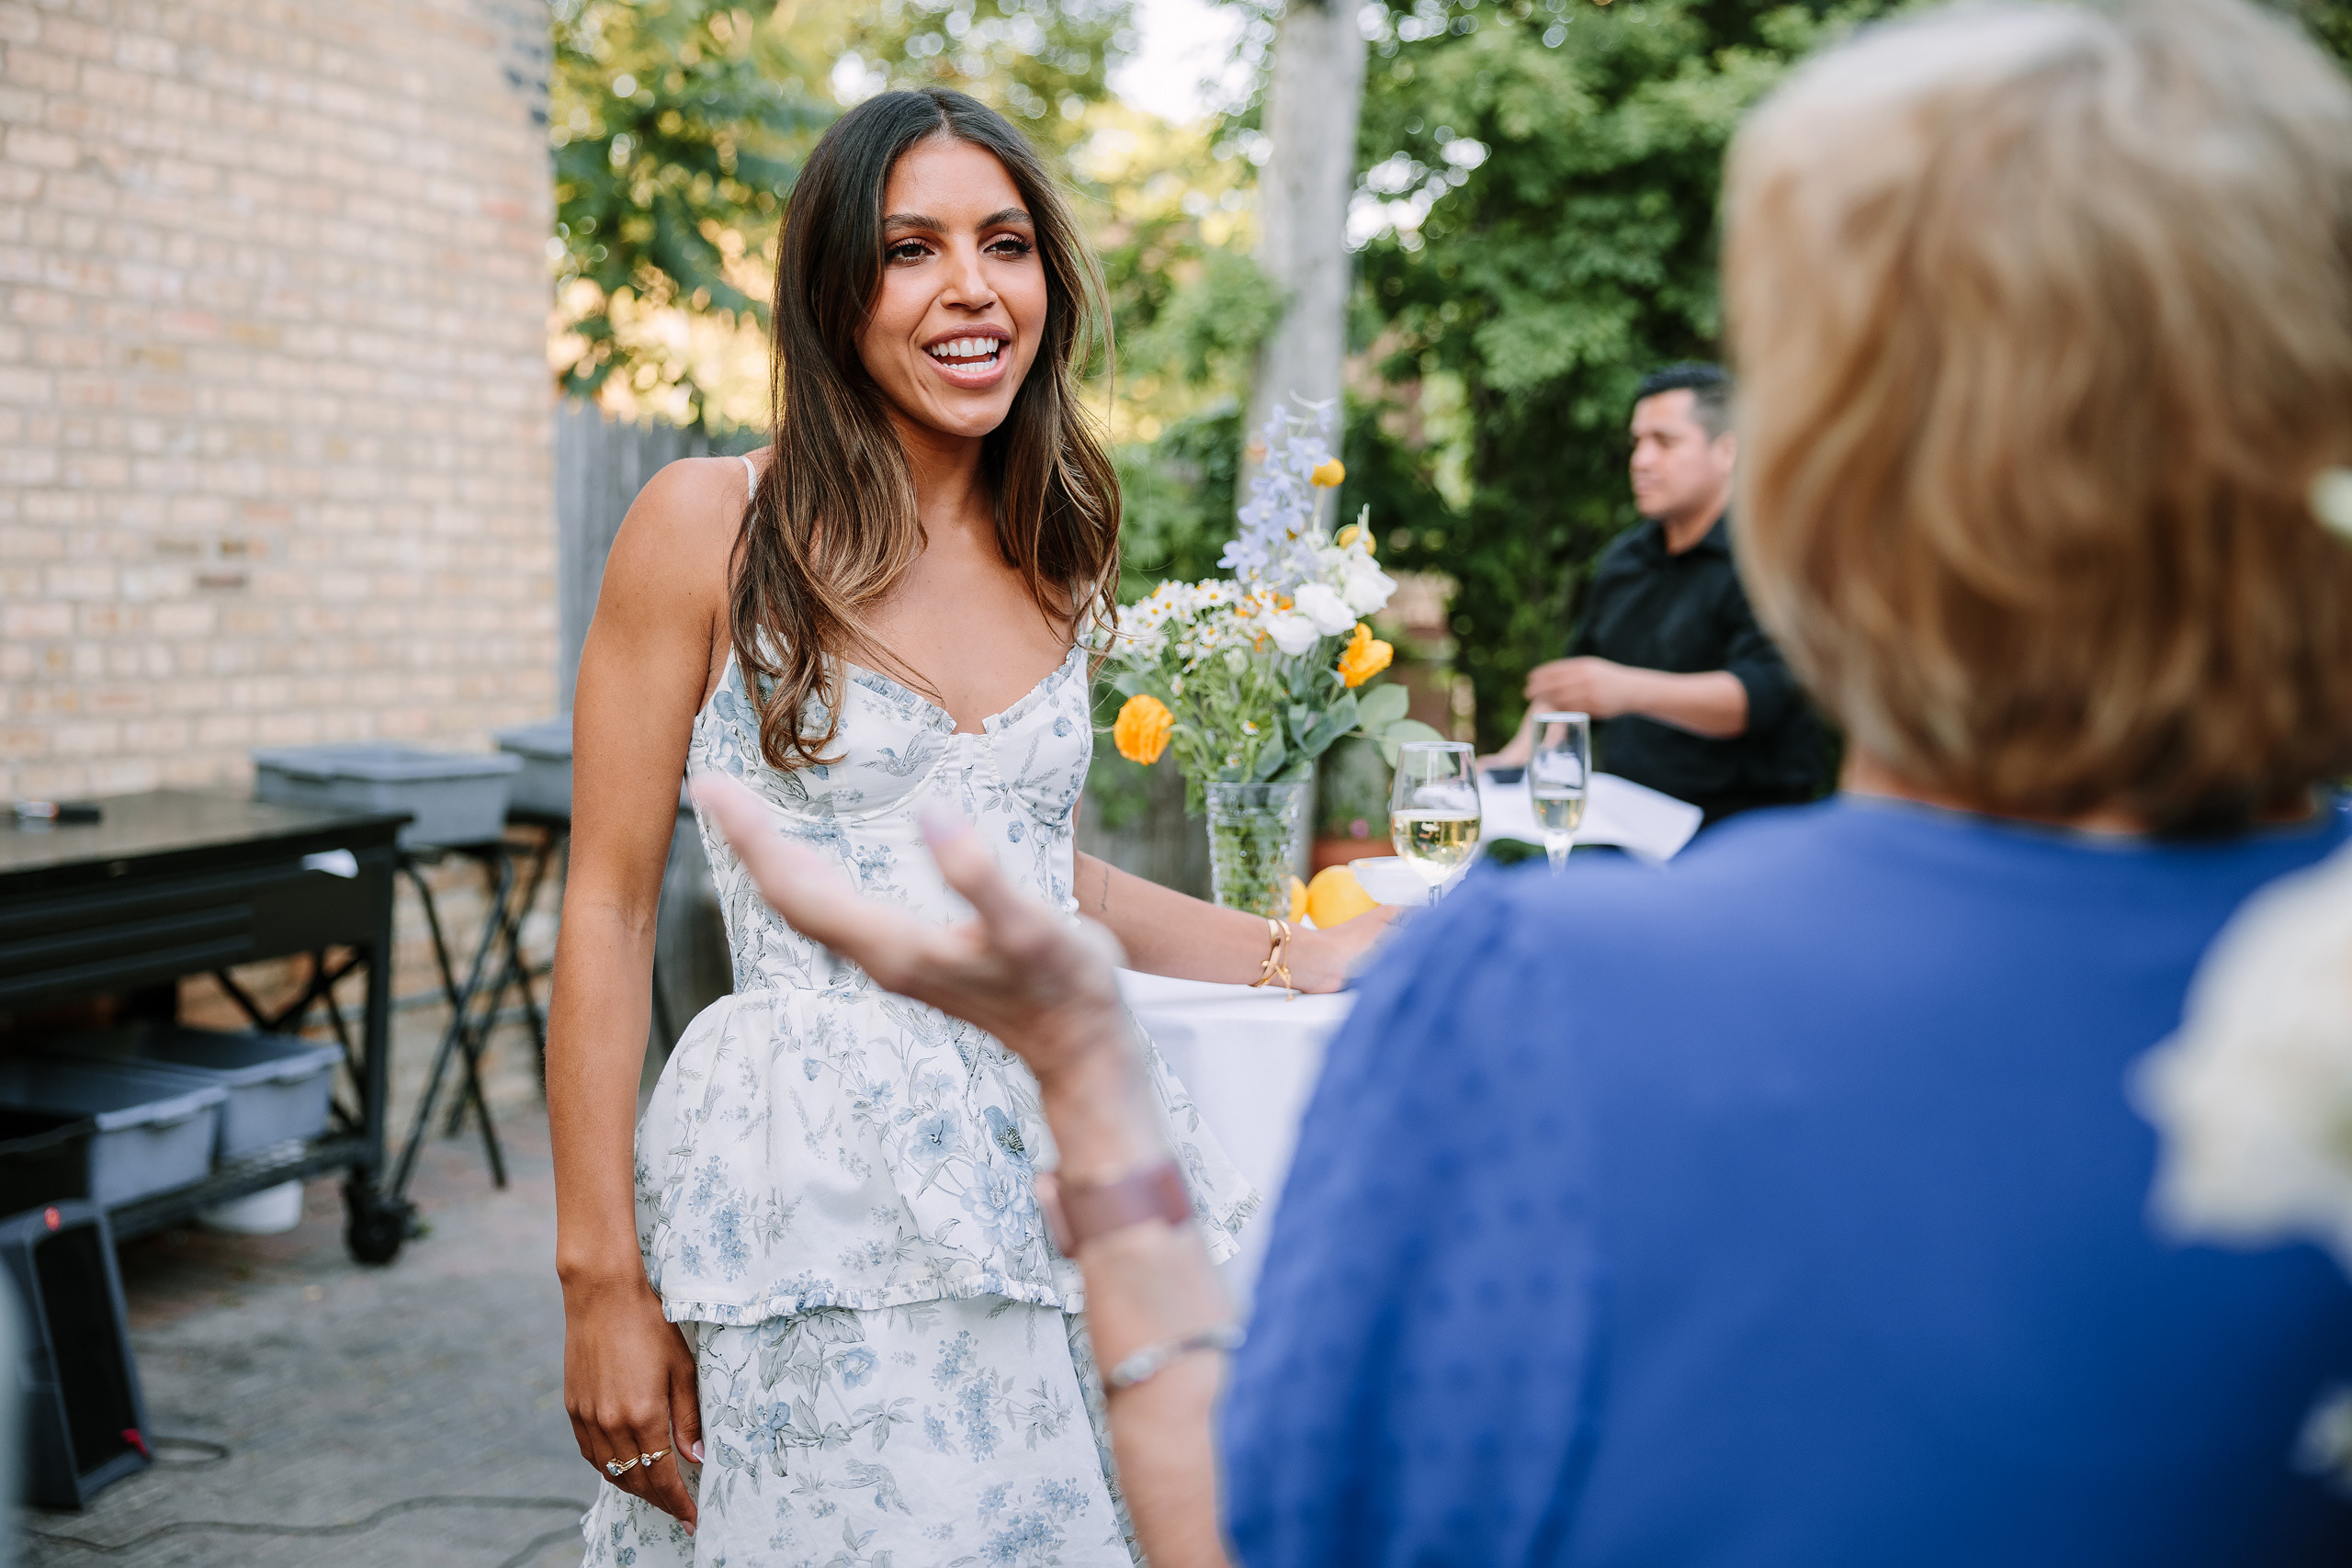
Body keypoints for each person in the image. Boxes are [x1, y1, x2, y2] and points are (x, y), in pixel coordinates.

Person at [696, 1, 2352, 1563]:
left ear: (1830, 476)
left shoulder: (1538, 997)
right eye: (909, 248)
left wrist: (1098, 1099)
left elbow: (1268, 1531)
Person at [545, 89, 1389, 1564]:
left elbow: (1041, 875)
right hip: (813, 1187)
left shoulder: (1061, 544)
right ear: (832, 289)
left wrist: (1288, 951)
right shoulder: (705, 526)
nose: (971, 289)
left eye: (1004, 243)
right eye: (909, 249)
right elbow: (608, 912)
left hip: (1057, 1156)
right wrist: (598, 1276)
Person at [1484, 363, 1826, 825]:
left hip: (1744, 833)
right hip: (1622, 829)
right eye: (1637, 443)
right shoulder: (1623, 559)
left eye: (1664, 442)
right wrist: (1510, 762)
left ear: (1726, 451)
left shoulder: (1773, 559)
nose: (1640, 460)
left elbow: (1758, 698)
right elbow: (1572, 689)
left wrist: (1624, 690)